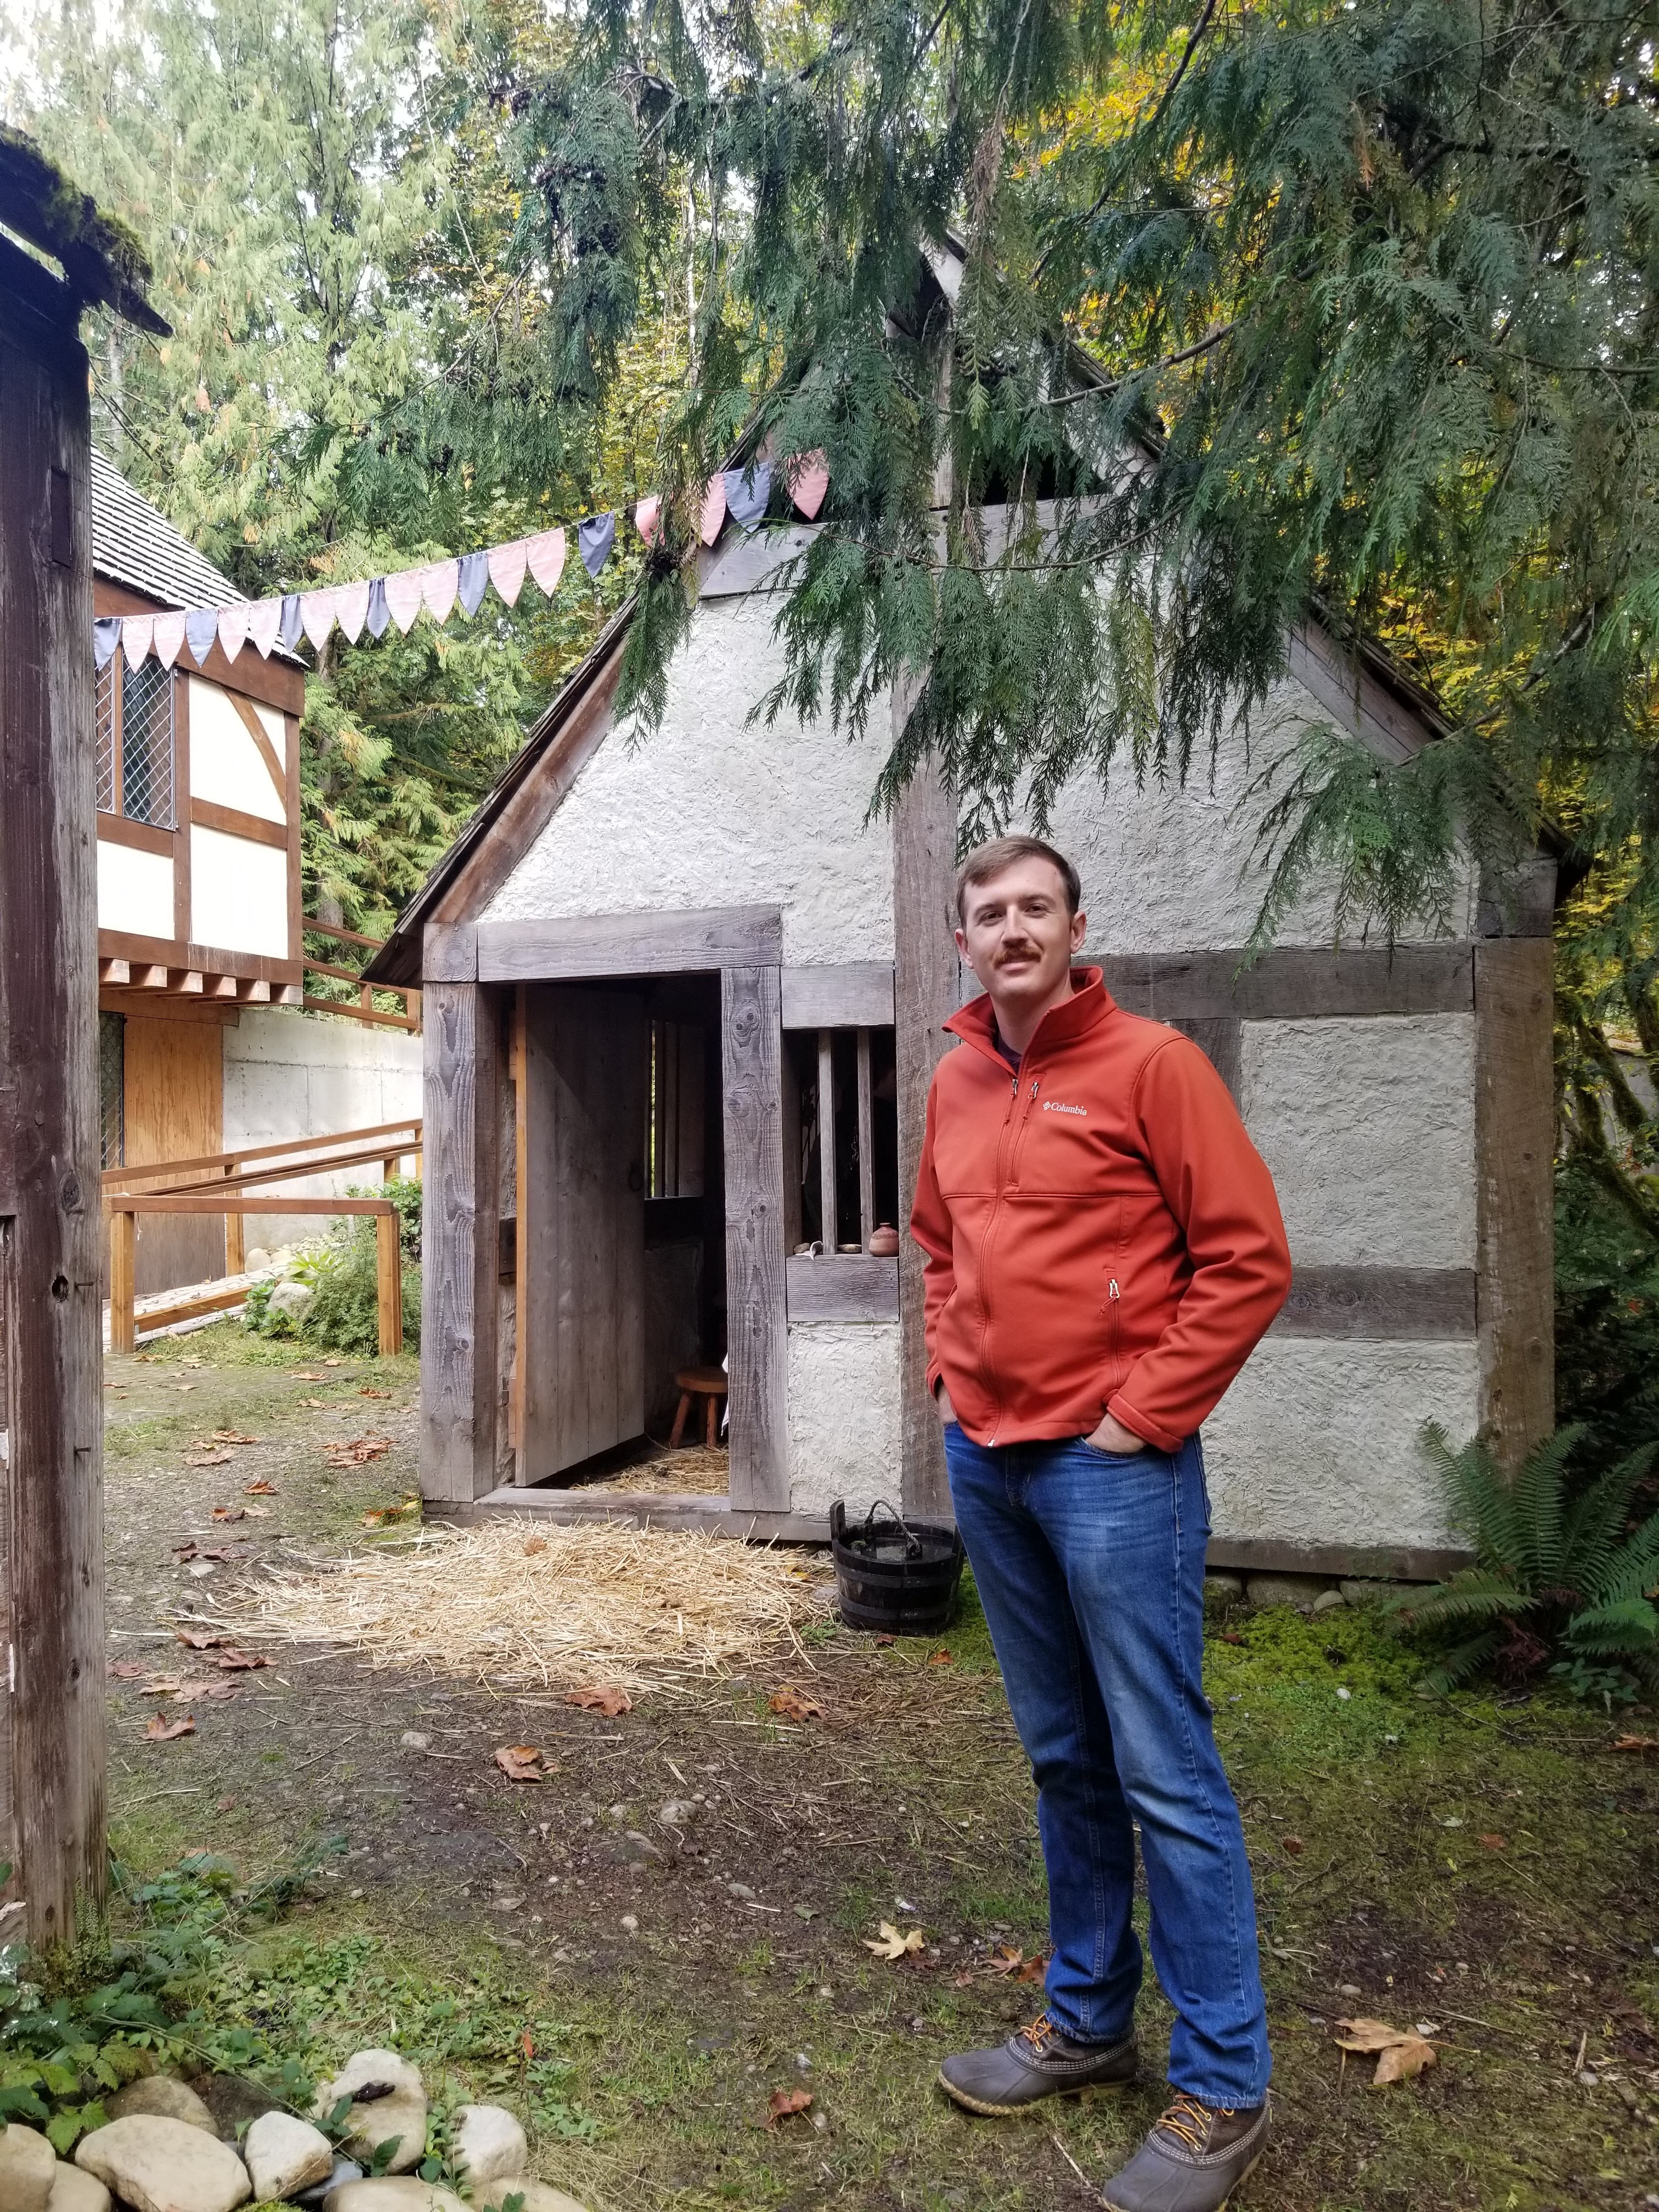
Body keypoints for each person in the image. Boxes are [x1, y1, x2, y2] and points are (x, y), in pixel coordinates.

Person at [910, 834, 1293, 2212]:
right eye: (990, 913)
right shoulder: (954, 1080)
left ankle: (1225, 2086)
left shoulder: (1154, 1066)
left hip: (1112, 1470)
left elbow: (1248, 1257)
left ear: (1077, 928)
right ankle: (1086, 2020)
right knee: (1065, 1756)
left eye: (1036, 908)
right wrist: (952, 1375)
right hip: (990, 1461)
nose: (1013, 929)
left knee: (1163, 1771)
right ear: (963, 940)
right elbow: (939, 1242)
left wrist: (1142, 1414)